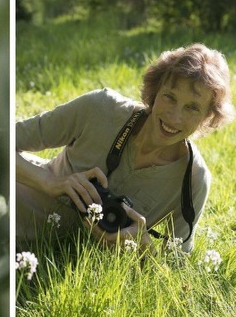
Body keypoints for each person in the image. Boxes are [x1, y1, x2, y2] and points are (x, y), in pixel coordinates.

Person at [16, 44, 234, 253]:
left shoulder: (192, 181)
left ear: (208, 117)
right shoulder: (101, 109)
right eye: (169, 97)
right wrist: (50, 182)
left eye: (192, 107)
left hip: (51, 270)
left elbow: (175, 267)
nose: (174, 117)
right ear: (155, 91)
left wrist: (143, 249)